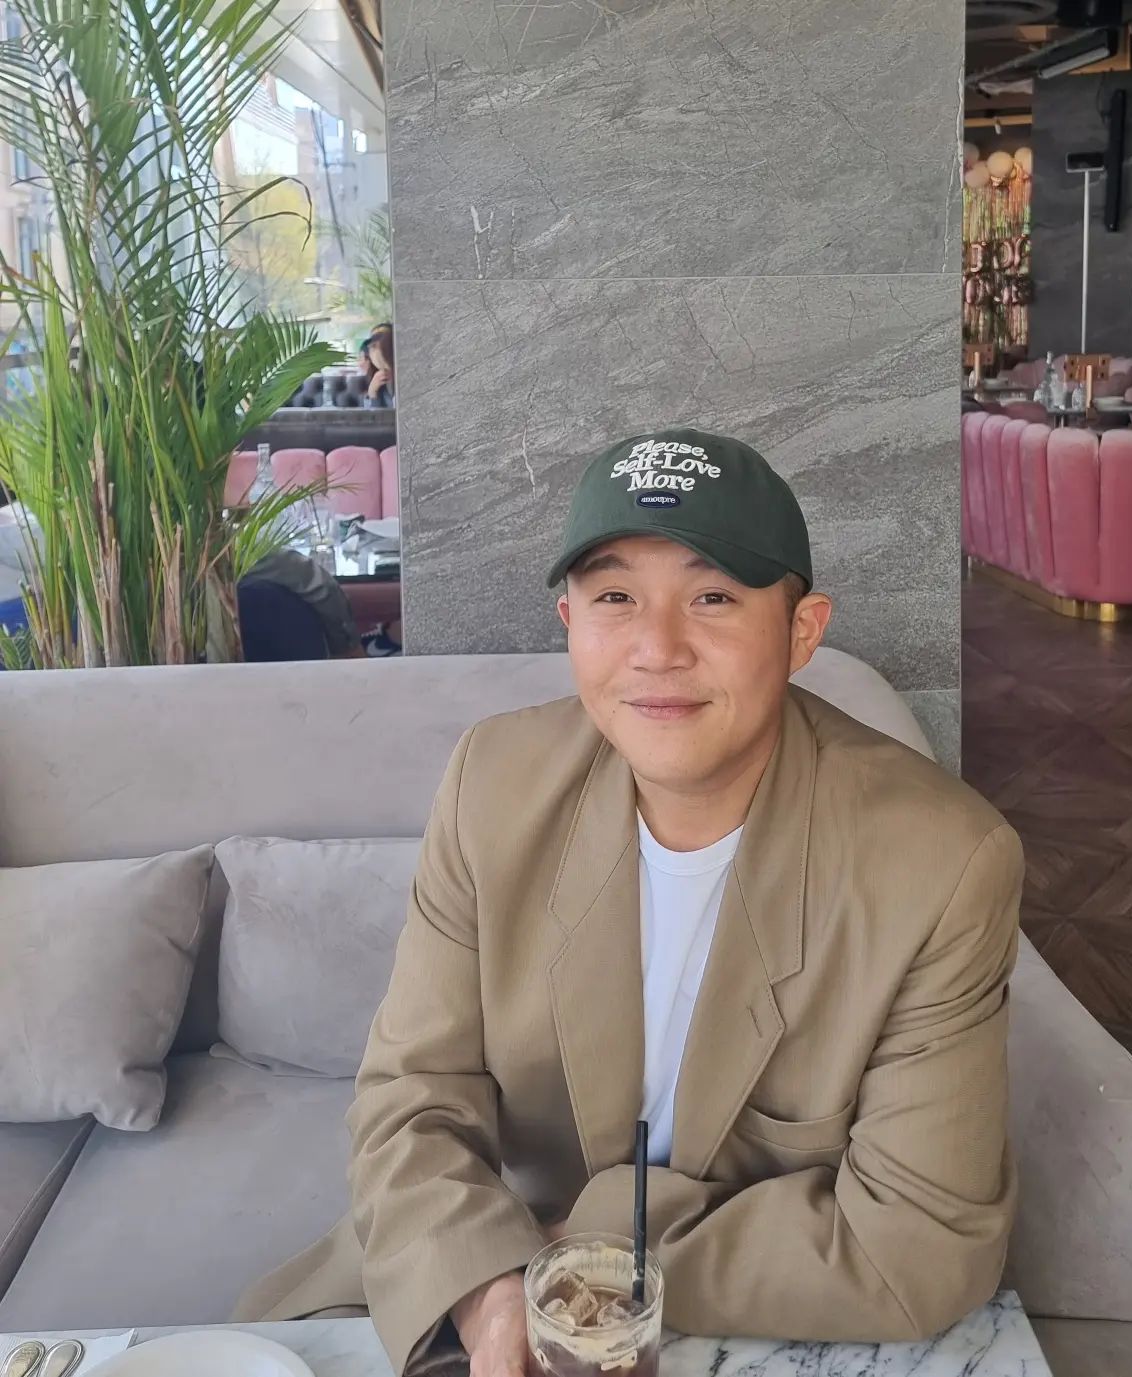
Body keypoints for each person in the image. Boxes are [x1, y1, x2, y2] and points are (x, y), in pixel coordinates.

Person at [237, 428, 1022, 1377]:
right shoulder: (494, 783)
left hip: (746, 1312)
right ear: (568, 619)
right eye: (614, 597)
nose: (657, 649)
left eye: (713, 597)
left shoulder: (938, 862)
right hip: (476, 1268)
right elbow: (411, 1096)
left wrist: (584, 1259)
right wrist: (491, 1294)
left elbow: (920, 1242)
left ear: (801, 631)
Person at [363, 327, 394, 409]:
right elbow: (371, 414)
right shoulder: (376, 379)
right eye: (372, 346)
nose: (372, 349)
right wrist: (372, 392)